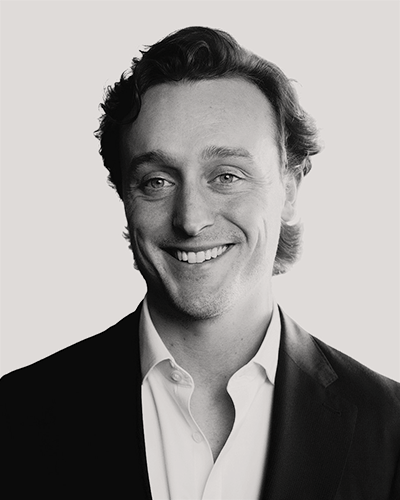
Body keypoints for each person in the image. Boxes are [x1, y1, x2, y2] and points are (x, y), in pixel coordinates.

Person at [1, 26, 399, 500]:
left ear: (290, 189)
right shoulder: (16, 417)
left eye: (226, 175)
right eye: (157, 181)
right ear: (124, 196)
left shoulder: (390, 429)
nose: (190, 219)